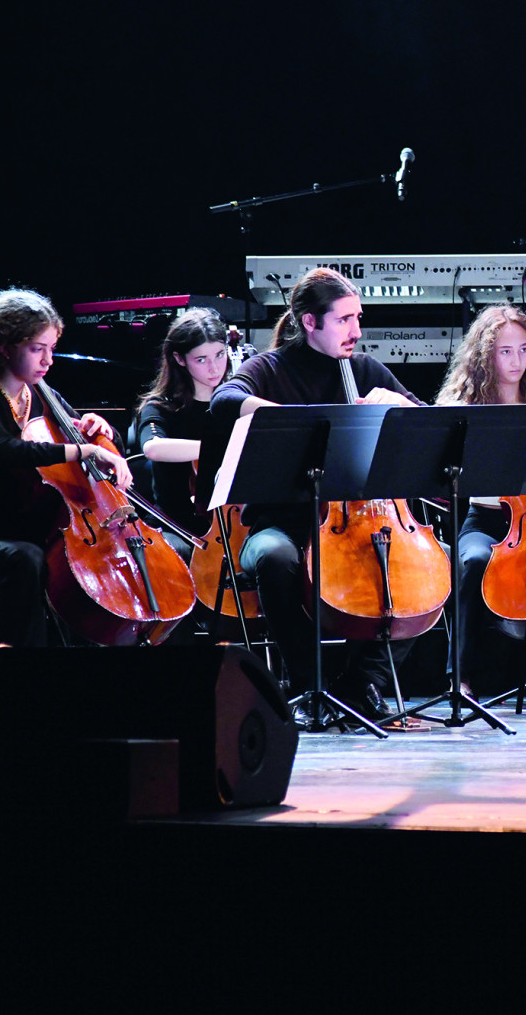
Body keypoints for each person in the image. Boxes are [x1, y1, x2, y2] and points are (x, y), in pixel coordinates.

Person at [208, 268, 420, 722]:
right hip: (283, 521)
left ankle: (364, 684)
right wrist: (292, 419)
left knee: (423, 569)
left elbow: (422, 417)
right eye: (344, 320)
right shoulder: (271, 369)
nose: (356, 331)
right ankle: (312, 685)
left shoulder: (363, 369)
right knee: (273, 558)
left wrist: (399, 404)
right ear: (309, 322)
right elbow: (224, 400)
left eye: (357, 318)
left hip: (360, 523)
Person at [0, 290, 132, 647]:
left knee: (62, 561)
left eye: (52, 348)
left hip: (27, 534)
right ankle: (21, 673)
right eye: (38, 349)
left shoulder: (38, 394)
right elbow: (4, 450)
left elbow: (79, 434)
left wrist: (100, 430)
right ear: (6, 346)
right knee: (27, 559)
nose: (48, 360)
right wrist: (81, 451)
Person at [434, 304, 526, 693]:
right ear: (485, 355)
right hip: (484, 521)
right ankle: (461, 676)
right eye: (505, 351)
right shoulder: (467, 406)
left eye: (523, 349)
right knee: (473, 561)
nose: (517, 361)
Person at [133, 308, 233, 548]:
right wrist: (216, 449)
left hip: (231, 524)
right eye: (201, 360)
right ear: (179, 359)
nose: (214, 368)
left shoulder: (235, 403)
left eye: (220, 355)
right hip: (174, 526)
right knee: (177, 554)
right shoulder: (160, 407)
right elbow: (153, 448)